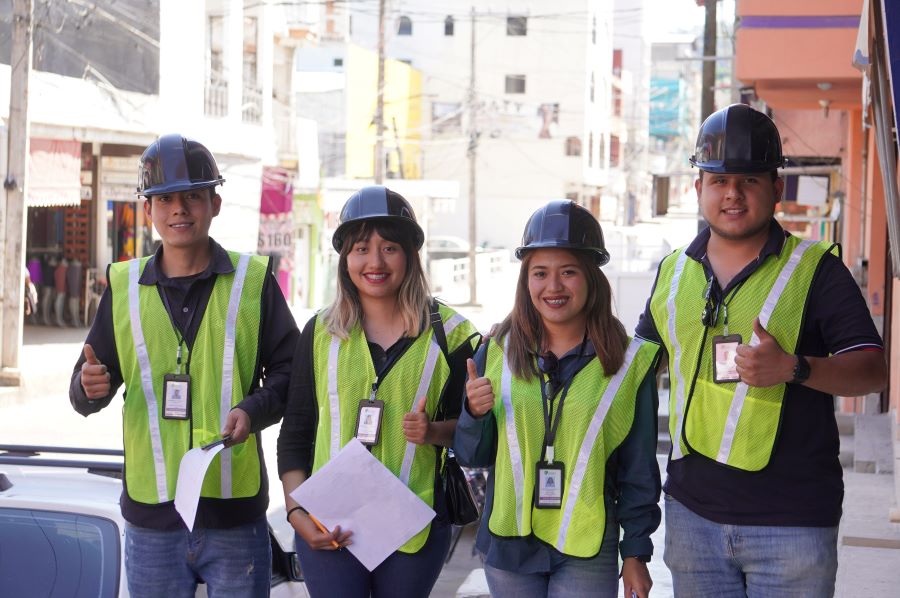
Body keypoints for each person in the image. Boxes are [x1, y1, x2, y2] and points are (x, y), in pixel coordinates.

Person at [635, 103, 888, 597]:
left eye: (749, 180)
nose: (732, 194)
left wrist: (794, 368)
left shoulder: (817, 270)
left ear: (776, 188)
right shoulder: (671, 273)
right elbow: (629, 367)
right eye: (719, 180)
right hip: (691, 519)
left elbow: (873, 371)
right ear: (698, 188)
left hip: (792, 526)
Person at [69, 134, 299, 597]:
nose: (179, 209)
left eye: (192, 196)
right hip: (153, 520)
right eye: (165, 198)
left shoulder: (252, 282)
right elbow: (85, 387)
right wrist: (87, 387)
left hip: (234, 517)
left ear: (214, 202)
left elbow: (292, 374)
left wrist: (254, 411)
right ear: (148, 208)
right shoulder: (123, 286)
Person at [277, 185, 480, 598]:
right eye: (360, 249)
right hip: (330, 524)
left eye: (389, 248)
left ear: (410, 255)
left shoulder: (454, 337)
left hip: (413, 528)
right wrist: (297, 514)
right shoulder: (319, 333)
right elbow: (296, 433)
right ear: (344, 259)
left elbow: (478, 437)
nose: (374, 262)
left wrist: (433, 432)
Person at [455, 199, 661, 598]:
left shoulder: (629, 362)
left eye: (568, 272)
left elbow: (638, 468)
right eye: (540, 273)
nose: (553, 287)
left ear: (591, 278)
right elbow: (471, 456)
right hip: (510, 542)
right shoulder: (496, 350)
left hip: (587, 543)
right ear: (525, 280)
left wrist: (636, 552)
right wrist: (474, 413)